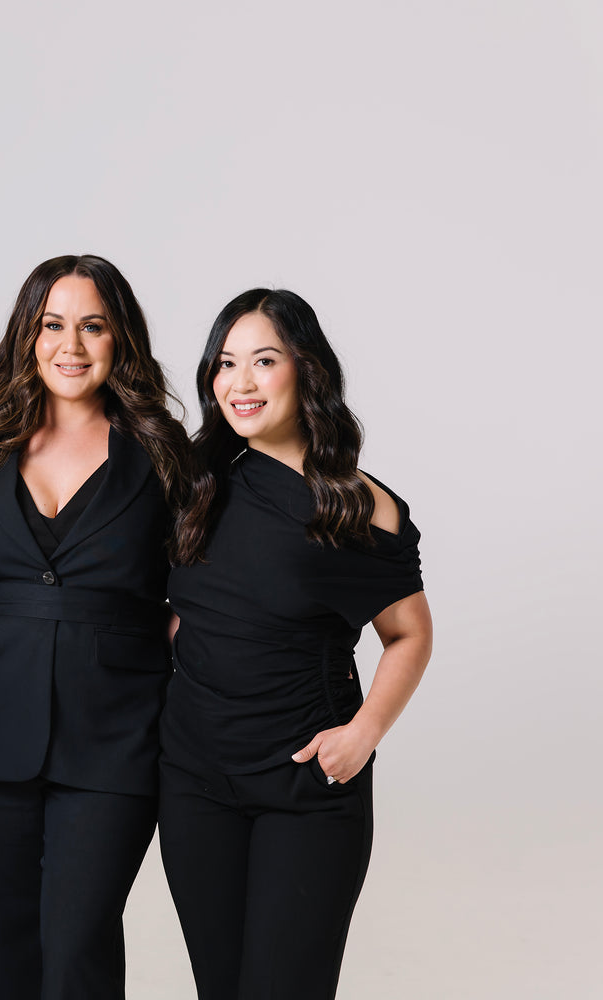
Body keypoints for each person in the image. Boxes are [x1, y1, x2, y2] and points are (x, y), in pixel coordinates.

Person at [160, 288, 434, 1000]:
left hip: (304, 788)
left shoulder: (354, 501)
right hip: (194, 784)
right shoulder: (200, 484)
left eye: (263, 361)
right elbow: (189, 612)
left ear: (305, 369)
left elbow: (408, 633)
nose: (239, 383)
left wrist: (364, 733)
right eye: (225, 364)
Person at [0, 254, 193, 999]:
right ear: (28, 336)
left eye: (93, 326)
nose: (72, 346)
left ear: (121, 342)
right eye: (54, 325)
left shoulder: (162, 454)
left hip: (115, 737)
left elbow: (199, 591)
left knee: (76, 946)